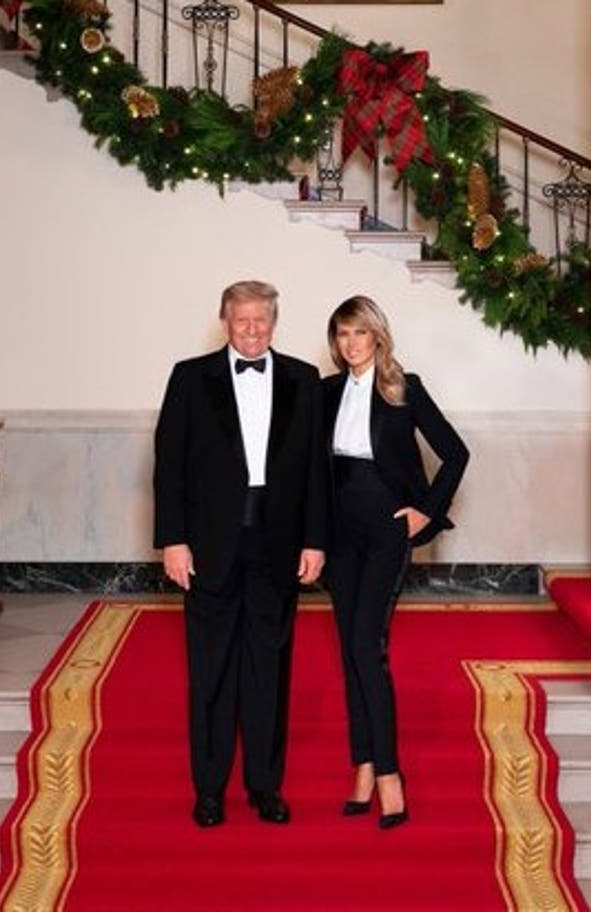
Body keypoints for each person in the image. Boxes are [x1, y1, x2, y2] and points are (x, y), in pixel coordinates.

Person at [154, 280, 328, 828]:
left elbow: (317, 474)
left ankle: (264, 786)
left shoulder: (305, 380)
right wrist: (173, 541)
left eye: (261, 321)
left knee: (268, 672)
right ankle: (208, 790)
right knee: (209, 671)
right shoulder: (189, 377)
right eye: (241, 321)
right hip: (207, 547)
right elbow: (168, 467)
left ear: (275, 323)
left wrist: (315, 540)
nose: (252, 331)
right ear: (225, 321)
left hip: (277, 546)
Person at [323, 295, 468, 829]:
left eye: (360, 333)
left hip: (386, 530)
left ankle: (388, 772)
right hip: (339, 536)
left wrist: (424, 513)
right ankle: (362, 764)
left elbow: (456, 453)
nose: (351, 344)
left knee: (367, 645)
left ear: (378, 337)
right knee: (348, 651)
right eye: (342, 335)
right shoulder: (326, 393)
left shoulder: (405, 388)